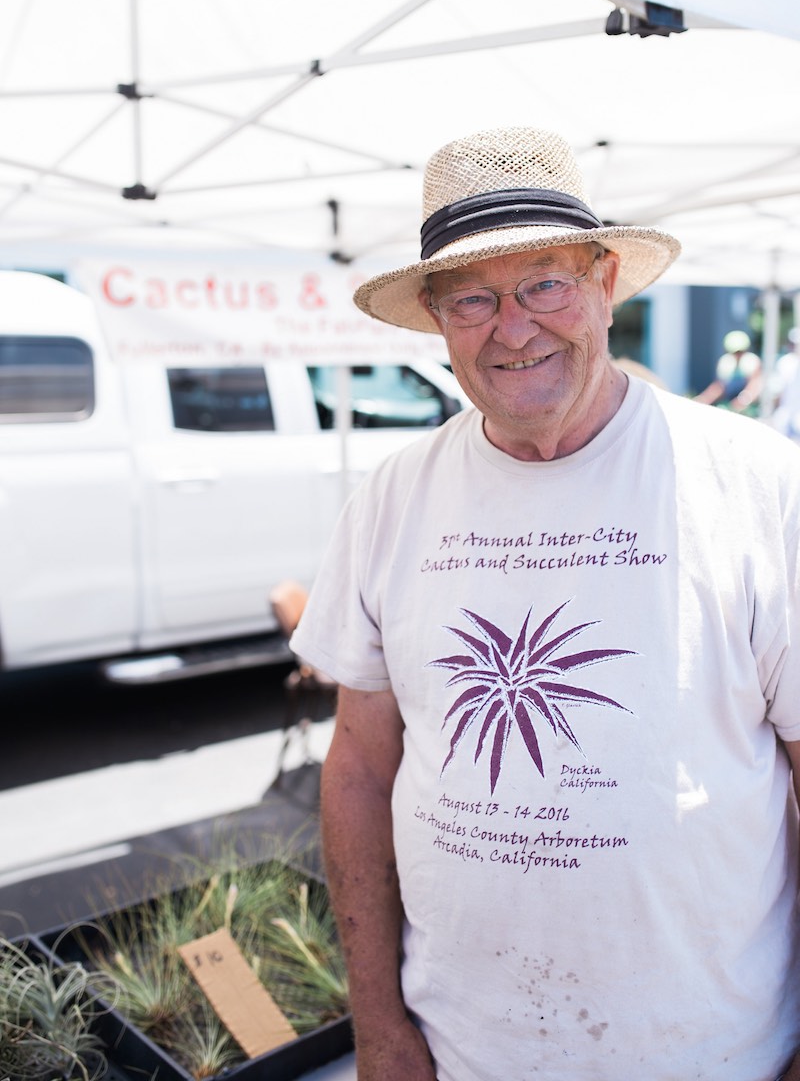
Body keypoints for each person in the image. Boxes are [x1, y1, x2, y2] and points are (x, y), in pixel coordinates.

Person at [291, 126, 800, 1081]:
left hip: (711, 1054)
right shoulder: (395, 496)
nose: (513, 326)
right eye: (473, 298)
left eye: (545, 283)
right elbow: (359, 765)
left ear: (606, 282)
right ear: (437, 322)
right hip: (463, 1052)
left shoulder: (759, 484)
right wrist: (379, 1027)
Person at [694, 328, 762, 411]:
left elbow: (754, 386)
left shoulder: (752, 362)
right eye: (735, 352)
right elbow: (720, 387)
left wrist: (743, 401)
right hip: (730, 404)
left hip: (751, 408)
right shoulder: (725, 363)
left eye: (740, 352)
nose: (738, 355)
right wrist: (703, 399)